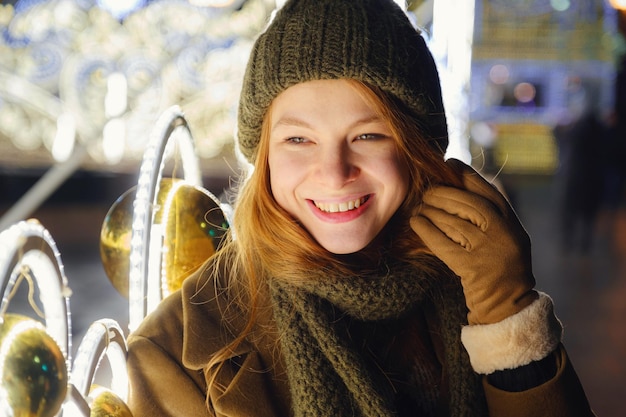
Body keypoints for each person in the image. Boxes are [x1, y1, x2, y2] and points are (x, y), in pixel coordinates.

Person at [126, 0, 595, 416]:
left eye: (368, 135)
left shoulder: (474, 282)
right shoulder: (177, 350)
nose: (334, 172)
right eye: (298, 139)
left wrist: (510, 321)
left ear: (416, 149)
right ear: (264, 156)